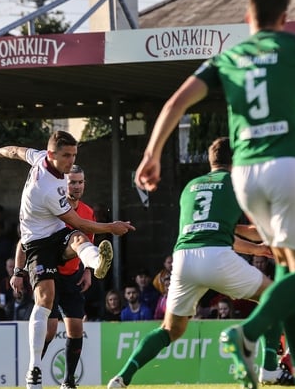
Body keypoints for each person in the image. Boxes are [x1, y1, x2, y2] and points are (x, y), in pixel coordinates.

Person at [131, 0, 295, 388]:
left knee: (285, 265)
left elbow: (175, 103)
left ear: (247, 18)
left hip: (246, 176)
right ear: (284, 19)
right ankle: (247, 334)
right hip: (284, 165)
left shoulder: (227, 56)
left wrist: (152, 153)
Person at [109, 137, 280, 388]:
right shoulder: (238, 182)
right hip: (216, 256)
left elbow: (217, 231)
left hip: (183, 259)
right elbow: (251, 229)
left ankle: (122, 377)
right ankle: (270, 369)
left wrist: (257, 249)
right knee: (275, 296)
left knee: (171, 329)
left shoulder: (191, 186)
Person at [0, 130, 134, 389]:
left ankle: (95, 262)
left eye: (74, 155)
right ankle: (34, 368)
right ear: (52, 155)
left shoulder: (39, 159)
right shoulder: (46, 188)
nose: (70, 161)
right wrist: (111, 227)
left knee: (78, 237)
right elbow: (76, 219)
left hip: (56, 235)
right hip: (37, 244)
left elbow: (16, 151)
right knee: (45, 299)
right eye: (66, 156)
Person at [37, 164, 96, 389]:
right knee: (50, 329)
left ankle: (68, 381)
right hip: (50, 275)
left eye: (80, 182)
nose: (77, 186)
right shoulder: (53, 208)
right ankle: (33, 371)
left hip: (73, 276)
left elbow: (89, 241)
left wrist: (88, 270)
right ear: (63, 184)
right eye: (73, 182)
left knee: (76, 328)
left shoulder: (88, 212)